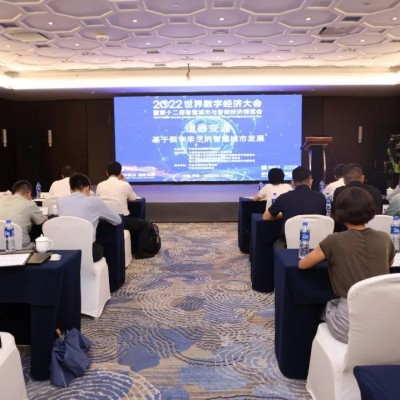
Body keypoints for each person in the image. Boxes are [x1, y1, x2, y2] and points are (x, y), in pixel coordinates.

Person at [299, 187, 395, 343]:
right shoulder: (385, 238)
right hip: (384, 321)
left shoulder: (333, 240)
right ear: (371, 210)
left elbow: (304, 264)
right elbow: (389, 263)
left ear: (339, 212)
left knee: (318, 305)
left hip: (348, 325)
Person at [57, 173, 122, 262]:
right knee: (103, 243)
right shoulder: (94, 201)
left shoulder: (60, 201)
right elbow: (117, 220)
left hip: (65, 250)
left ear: (71, 190)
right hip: (88, 251)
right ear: (87, 188)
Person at [96, 161, 151, 259]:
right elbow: (133, 198)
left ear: (107, 173)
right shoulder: (124, 185)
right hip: (121, 221)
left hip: (103, 221)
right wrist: (125, 182)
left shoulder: (100, 185)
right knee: (144, 225)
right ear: (120, 173)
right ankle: (140, 252)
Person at [0, 180, 47, 248]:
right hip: (22, 248)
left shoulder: (1, 200)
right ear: (28, 193)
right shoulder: (29, 204)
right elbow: (44, 223)